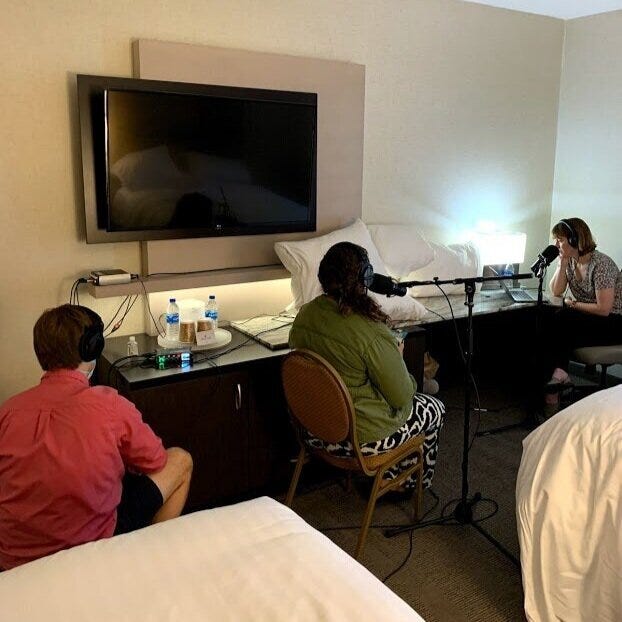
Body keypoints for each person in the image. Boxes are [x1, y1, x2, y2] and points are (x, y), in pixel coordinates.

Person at [0, 304, 193, 570]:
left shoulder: (7, 412)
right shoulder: (109, 404)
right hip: (90, 548)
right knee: (180, 460)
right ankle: (151, 556)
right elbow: (155, 460)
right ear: (91, 348)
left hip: (13, 561)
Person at [289, 241, 445, 491]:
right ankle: (405, 486)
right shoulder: (371, 332)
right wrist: (399, 359)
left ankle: (390, 473)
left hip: (314, 430)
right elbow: (402, 396)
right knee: (433, 407)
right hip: (357, 441)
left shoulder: (304, 315)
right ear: (366, 278)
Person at [543, 217, 622, 408]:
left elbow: (604, 309)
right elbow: (556, 291)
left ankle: (556, 382)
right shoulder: (571, 262)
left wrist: (574, 304)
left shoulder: (601, 264)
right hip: (590, 319)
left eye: (560, 240)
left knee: (563, 318)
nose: (556, 245)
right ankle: (555, 378)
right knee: (549, 319)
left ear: (575, 240)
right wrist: (562, 263)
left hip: (614, 322)